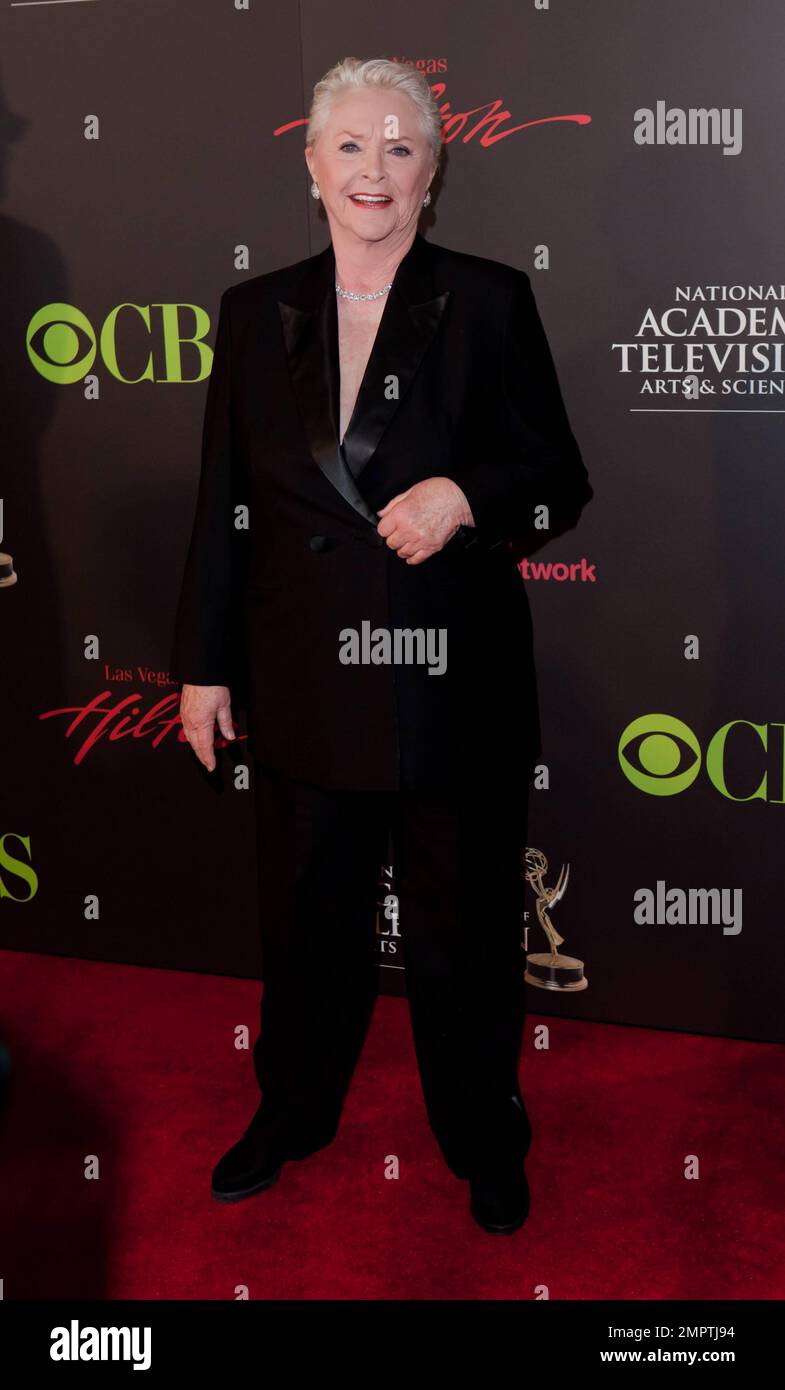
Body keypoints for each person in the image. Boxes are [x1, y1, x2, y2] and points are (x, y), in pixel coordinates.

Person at [170, 56, 593, 1234]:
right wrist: (203, 668)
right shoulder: (254, 314)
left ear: (432, 171)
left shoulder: (490, 301)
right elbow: (223, 505)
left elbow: (558, 480)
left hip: (452, 684)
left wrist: (465, 494)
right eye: (348, 146)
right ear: (310, 169)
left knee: (463, 940)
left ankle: (482, 1136)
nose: (373, 170)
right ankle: (292, 1114)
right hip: (304, 683)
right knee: (305, 929)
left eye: (398, 147)